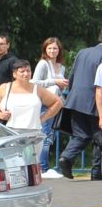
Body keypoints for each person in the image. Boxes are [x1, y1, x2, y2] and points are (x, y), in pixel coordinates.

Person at [54, 30, 102, 182]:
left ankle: (66, 157)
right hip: (94, 101)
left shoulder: (82, 52)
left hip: (76, 99)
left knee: (82, 135)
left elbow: (72, 75)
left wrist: (72, 95)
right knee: (98, 136)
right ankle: (96, 172)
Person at [35, 39, 69, 175]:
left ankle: (45, 167)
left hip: (56, 104)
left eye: (55, 48)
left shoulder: (61, 67)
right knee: (44, 136)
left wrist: (62, 85)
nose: (52, 51)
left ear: (59, 50)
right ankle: (42, 168)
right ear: (45, 50)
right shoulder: (43, 64)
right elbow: (34, 82)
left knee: (50, 137)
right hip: (44, 105)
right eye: (49, 48)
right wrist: (55, 81)